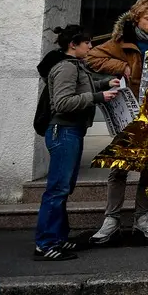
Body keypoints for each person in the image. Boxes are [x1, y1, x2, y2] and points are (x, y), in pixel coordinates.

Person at [87, 0, 148, 245]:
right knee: (120, 165)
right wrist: (121, 65)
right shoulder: (123, 41)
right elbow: (92, 57)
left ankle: (143, 216)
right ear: (137, 19)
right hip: (130, 110)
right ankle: (112, 218)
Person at [34, 27, 121, 261]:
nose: (90, 47)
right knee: (57, 190)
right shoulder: (65, 67)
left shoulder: (74, 65)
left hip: (71, 131)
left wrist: (104, 84)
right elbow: (62, 103)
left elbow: (83, 86)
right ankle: (46, 243)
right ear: (73, 44)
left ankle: (58, 238)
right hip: (63, 130)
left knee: (64, 188)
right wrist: (97, 97)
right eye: (87, 43)